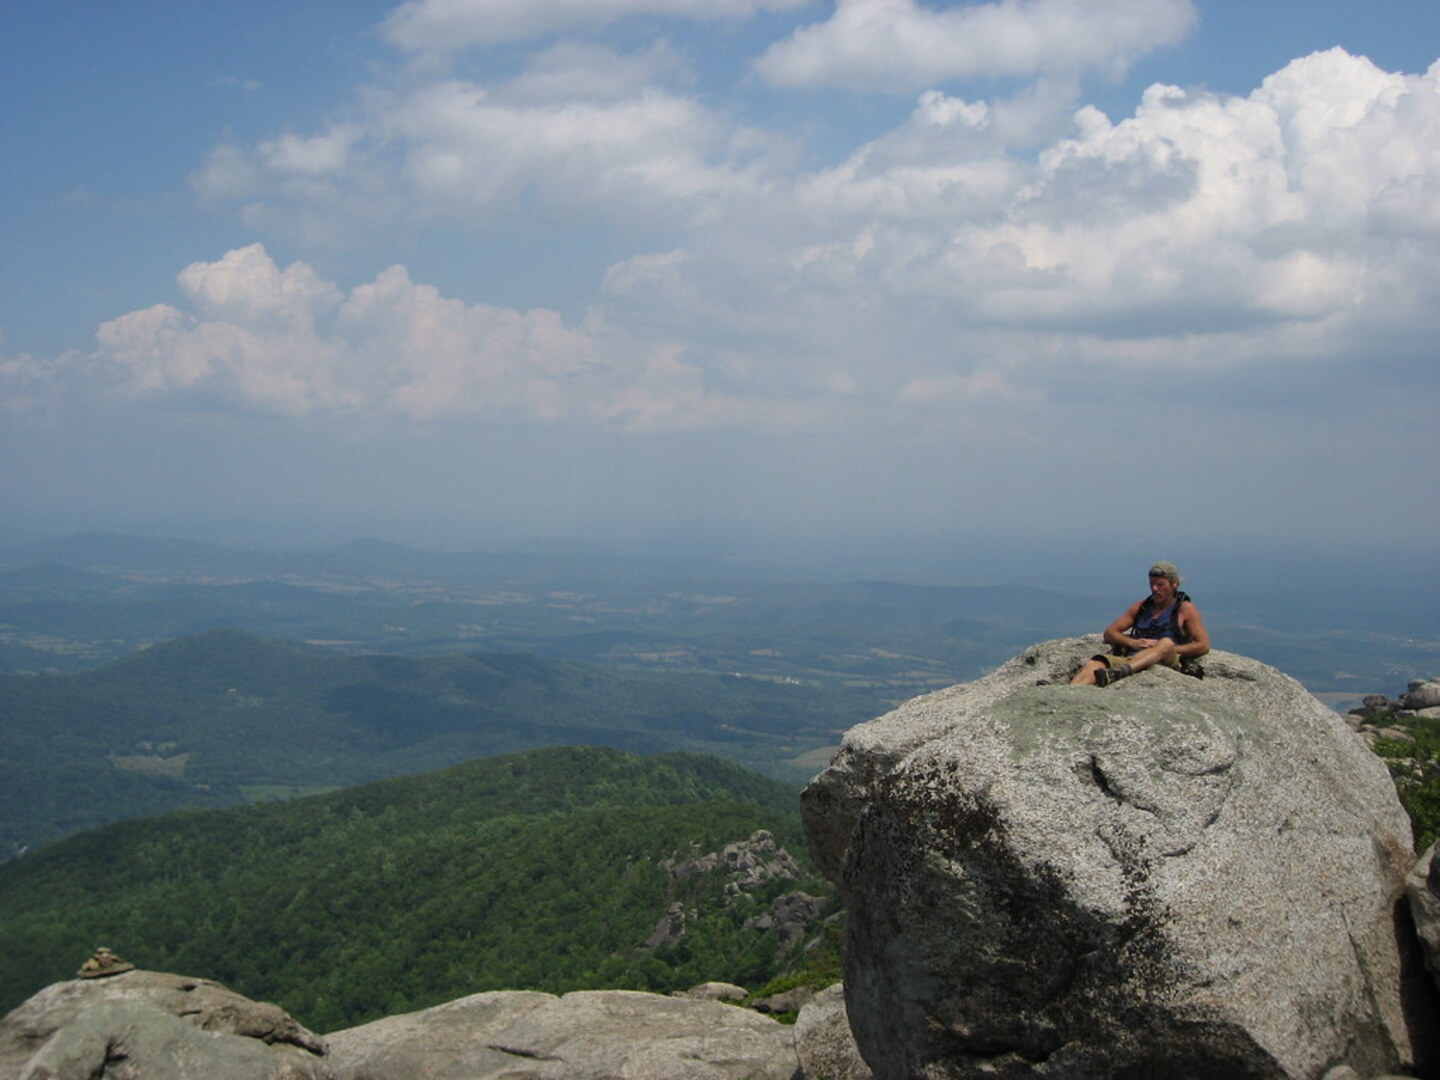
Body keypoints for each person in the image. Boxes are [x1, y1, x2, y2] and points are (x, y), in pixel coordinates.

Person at [1070, 561, 1210, 687]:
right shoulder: (1141, 607)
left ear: (1174, 584)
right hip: (1133, 657)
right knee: (1094, 663)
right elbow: (1110, 633)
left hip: (1166, 660)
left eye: (1160, 585)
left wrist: (1164, 647)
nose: (1155, 589)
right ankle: (1069, 693)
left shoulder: (1185, 609)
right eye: (1152, 584)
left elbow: (1202, 645)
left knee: (1166, 643)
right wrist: (1133, 643)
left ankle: (1118, 673)